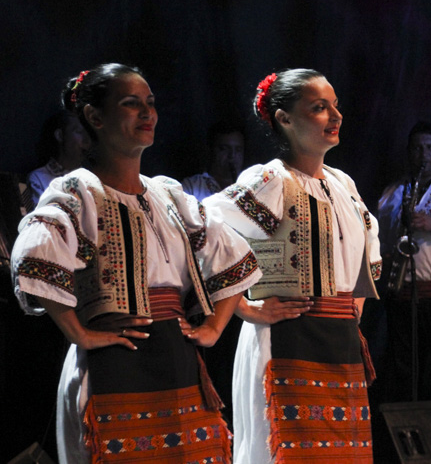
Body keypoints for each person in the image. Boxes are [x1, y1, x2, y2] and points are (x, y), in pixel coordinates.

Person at [11, 64, 262, 463]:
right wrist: (81, 334)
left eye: (150, 103)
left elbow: (229, 253)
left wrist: (214, 328)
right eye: (131, 104)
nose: (148, 114)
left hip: (178, 365)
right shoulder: (79, 190)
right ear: (95, 117)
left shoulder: (167, 195)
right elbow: (34, 256)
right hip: (112, 364)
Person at [204, 69, 382, 463]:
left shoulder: (342, 184)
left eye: (335, 105)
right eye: (319, 108)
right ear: (284, 119)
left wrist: (354, 307)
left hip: (340, 340)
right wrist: (246, 308)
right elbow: (204, 229)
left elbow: (368, 250)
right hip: (288, 338)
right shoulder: (271, 180)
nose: (335, 116)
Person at [376, 120, 431, 409]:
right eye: (417, 149)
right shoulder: (393, 192)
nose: (423, 155)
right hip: (402, 295)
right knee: (403, 372)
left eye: (429, 148)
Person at [28, 109, 90, 205]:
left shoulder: (90, 178)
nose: (86, 140)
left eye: (87, 133)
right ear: (60, 135)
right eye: (79, 132)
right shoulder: (39, 178)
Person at [182, 121, 246, 201]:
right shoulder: (191, 186)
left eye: (238, 150)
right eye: (224, 149)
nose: (232, 155)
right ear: (211, 150)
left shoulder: (250, 185)